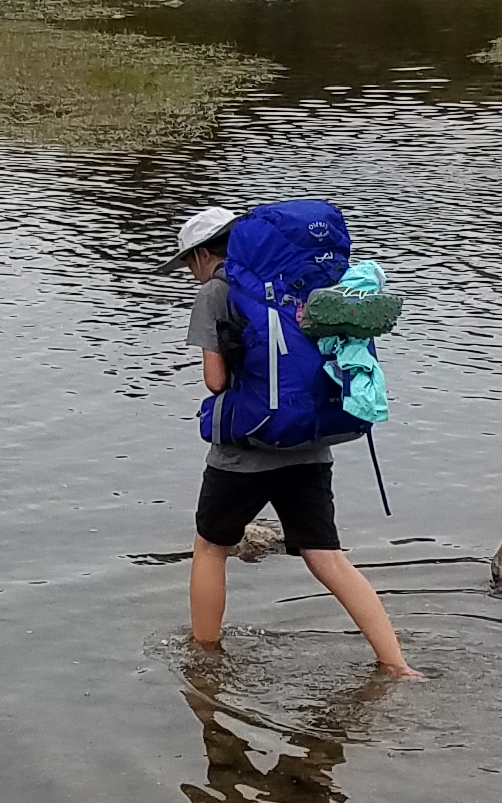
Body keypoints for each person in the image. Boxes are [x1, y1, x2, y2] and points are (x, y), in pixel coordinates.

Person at [173, 204, 417, 676]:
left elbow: (215, 381)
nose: (189, 271)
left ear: (205, 253)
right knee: (327, 555)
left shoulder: (218, 291)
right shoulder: (305, 283)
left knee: (210, 546)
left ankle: (204, 657)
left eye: (188, 261)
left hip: (245, 450)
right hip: (311, 442)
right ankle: (397, 663)